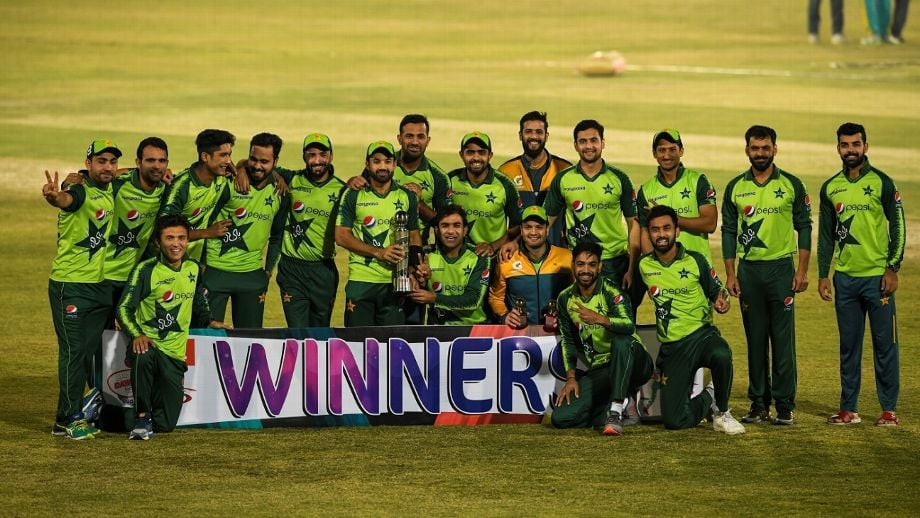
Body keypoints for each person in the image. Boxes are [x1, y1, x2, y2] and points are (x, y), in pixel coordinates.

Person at [722, 125, 812, 426]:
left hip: (780, 270)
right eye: (755, 148)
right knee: (756, 339)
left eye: (765, 148)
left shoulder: (791, 184)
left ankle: (784, 405)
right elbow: (729, 231)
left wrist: (801, 271)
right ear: (747, 150)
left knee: (783, 341)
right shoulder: (735, 187)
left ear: (775, 148)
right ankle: (759, 404)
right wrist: (731, 274)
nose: (760, 153)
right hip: (749, 273)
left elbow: (805, 227)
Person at [818, 122, 905, 426]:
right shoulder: (830, 187)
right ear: (838, 147)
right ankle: (848, 409)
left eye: (856, 144)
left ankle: (889, 410)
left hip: (877, 280)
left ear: (866, 146)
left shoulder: (883, 182)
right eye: (845, 144)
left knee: (885, 346)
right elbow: (827, 235)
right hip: (845, 279)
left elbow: (898, 227)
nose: (850, 150)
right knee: (849, 346)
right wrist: (823, 274)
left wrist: (892, 267)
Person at [117, 214, 228, 440]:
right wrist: (137, 334)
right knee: (143, 353)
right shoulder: (146, 270)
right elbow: (123, 308)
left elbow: (198, 299)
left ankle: (103, 408)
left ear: (188, 240)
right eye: (169, 238)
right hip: (150, 346)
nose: (176, 244)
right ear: (158, 242)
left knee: (165, 425)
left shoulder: (194, 268)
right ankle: (141, 417)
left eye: (181, 238)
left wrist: (208, 320)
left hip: (175, 355)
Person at [637, 205, 745, 435]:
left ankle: (722, 413)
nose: (661, 234)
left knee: (721, 354)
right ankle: (710, 396)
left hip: (701, 336)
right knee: (675, 421)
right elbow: (628, 300)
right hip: (672, 348)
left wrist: (720, 300)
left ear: (677, 230)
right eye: (655, 230)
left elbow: (716, 290)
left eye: (667, 228)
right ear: (649, 233)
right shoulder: (644, 265)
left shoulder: (696, 260)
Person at [44, 139, 118, 440]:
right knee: (74, 354)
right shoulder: (79, 190)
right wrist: (54, 196)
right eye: (101, 161)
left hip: (97, 286)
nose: (108, 167)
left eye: (112, 162)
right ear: (88, 163)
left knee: (85, 354)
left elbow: (122, 172)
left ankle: (63, 418)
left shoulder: (107, 185)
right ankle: (72, 417)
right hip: (70, 286)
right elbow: (66, 201)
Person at [551, 241, 652, 436]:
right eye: (580, 264)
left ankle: (614, 411)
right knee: (561, 418)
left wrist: (600, 319)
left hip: (634, 361)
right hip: (601, 370)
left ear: (600, 267)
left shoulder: (612, 291)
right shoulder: (565, 299)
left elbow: (628, 325)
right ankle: (622, 404)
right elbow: (569, 341)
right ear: (573, 266)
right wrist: (571, 378)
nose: (586, 270)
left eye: (591, 264)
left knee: (621, 342)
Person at [543, 119, 640, 296]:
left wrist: (631, 269)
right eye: (583, 141)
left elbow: (634, 226)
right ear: (575, 145)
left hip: (614, 262)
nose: (589, 146)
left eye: (593, 140)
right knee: (579, 317)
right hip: (580, 263)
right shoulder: (563, 179)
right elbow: (545, 222)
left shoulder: (619, 178)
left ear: (602, 143)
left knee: (618, 318)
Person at [202, 133, 286, 328]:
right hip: (215, 273)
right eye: (253, 159)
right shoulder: (228, 183)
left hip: (252, 277)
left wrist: (266, 272)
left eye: (264, 161)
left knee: (250, 341)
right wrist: (203, 265)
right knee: (205, 337)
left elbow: (278, 235)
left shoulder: (280, 192)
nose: (257, 166)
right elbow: (205, 221)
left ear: (276, 161)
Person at [335, 141, 421, 326]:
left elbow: (414, 236)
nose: (382, 166)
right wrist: (379, 252)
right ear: (367, 164)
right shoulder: (353, 194)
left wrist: (412, 270)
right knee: (357, 344)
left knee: (391, 346)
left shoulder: (407, 196)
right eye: (376, 161)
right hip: (361, 280)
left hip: (395, 283)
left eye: (388, 161)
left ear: (395, 164)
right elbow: (341, 236)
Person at [274, 133, 346, 328]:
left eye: (322, 154)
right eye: (311, 155)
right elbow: (260, 166)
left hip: (323, 271)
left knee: (320, 334)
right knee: (297, 333)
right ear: (304, 157)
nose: (317, 160)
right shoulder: (292, 179)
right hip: (292, 270)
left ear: (331, 156)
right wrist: (242, 170)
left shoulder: (342, 189)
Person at [346, 115, 451, 241]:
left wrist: (418, 203)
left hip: (415, 248)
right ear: (399, 139)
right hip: (377, 248)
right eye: (409, 136)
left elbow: (445, 224)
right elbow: (358, 198)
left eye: (420, 136)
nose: (415, 142)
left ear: (428, 140)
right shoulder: (382, 165)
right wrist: (351, 182)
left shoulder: (438, 177)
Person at [636, 129, 717, 262]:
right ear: (654, 154)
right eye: (662, 150)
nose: (667, 155)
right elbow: (645, 233)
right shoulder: (646, 190)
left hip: (697, 267)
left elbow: (710, 224)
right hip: (664, 270)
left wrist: (670, 218)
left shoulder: (699, 181)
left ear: (681, 151)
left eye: (672, 149)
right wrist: (654, 266)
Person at [489, 205, 572, 329]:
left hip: (558, 334)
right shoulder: (506, 260)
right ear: (521, 230)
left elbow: (578, 295)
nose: (533, 232)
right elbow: (495, 297)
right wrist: (504, 316)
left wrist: (567, 316)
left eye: (539, 227)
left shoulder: (567, 258)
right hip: (519, 335)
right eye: (528, 227)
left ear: (547, 230)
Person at [160, 129, 237, 260]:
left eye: (229, 155)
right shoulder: (181, 187)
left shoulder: (222, 178)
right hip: (169, 264)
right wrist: (207, 232)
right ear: (205, 157)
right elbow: (165, 230)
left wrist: (241, 170)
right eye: (223, 155)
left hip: (193, 263)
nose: (229, 161)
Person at [497, 111, 572, 245]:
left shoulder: (564, 169)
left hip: (555, 252)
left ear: (546, 136)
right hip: (517, 253)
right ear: (520, 135)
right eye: (528, 132)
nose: (534, 136)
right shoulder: (506, 171)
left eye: (539, 132)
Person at [409, 205, 491, 324]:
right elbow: (417, 294)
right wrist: (420, 282)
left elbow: (473, 300)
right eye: (445, 225)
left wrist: (434, 298)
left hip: (472, 329)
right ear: (437, 231)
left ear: (465, 231)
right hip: (436, 329)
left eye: (457, 225)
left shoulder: (479, 256)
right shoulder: (425, 254)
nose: (451, 231)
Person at [448, 131, 522, 257]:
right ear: (461, 155)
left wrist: (493, 246)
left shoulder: (505, 185)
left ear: (490, 155)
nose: (476, 158)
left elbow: (518, 226)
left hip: (493, 258)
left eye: (481, 152)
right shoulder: (449, 180)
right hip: (457, 258)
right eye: (470, 152)